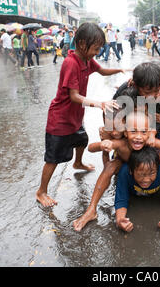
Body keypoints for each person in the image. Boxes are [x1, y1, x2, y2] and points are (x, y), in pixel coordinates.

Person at [72, 63, 160, 232]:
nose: (152, 96)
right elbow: (109, 119)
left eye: (156, 91)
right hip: (129, 144)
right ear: (134, 85)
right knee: (111, 166)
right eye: (147, 93)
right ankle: (91, 210)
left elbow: (159, 131)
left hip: (149, 140)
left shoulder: (159, 95)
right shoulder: (124, 96)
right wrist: (111, 137)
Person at [36, 22, 127, 208]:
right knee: (53, 158)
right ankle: (41, 191)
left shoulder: (86, 60)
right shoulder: (71, 62)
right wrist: (99, 104)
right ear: (82, 43)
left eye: (99, 48)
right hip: (60, 119)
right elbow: (74, 96)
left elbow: (101, 71)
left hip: (75, 117)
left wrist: (120, 70)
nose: (97, 52)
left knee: (82, 140)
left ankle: (78, 163)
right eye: (95, 48)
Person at [115, 147, 160, 233]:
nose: (146, 180)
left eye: (152, 173)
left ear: (157, 170)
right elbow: (121, 200)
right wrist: (120, 220)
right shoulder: (125, 172)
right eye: (141, 174)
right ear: (131, 171)